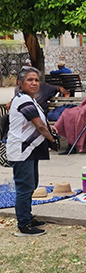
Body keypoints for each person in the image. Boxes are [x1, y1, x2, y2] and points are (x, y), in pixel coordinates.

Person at [7, 67, 59, 237]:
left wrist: (49, 130)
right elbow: (40, 126)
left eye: (36, 80)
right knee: (25, 187)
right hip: (22, 151)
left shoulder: (29, 99)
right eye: (30, 80)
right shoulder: (23, 100)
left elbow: (41, 123)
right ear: (20, 83)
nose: (34, 83)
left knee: (31, 185)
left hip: (29, 150)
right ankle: (24, 224)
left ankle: (27, 217)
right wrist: (53, 141)